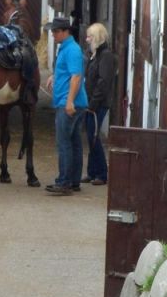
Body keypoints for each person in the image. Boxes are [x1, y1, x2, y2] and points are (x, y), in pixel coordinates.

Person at [44, 17, 89, 196]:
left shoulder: (72, 50)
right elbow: (68, 71)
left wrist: (69, 101)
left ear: (64, 31)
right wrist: (54, 76)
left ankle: (64, 182)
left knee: (64, 143)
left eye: (55, 32)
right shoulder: (67, 48)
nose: (53, 35)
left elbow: (76, 76)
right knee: (75, 142)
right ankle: (74, 181)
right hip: (73, 102)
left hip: (68, 103)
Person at [83, 23, 116, 186]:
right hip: (92, 102)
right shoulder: (94, 55)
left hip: (98, 104)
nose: (87, 39)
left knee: (93, 136)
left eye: (89, 36)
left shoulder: (106, 56)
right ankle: (92, 171)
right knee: (91, 136)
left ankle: (102, 173)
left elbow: (103, 82)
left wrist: (93, 103)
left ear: (96, 38)